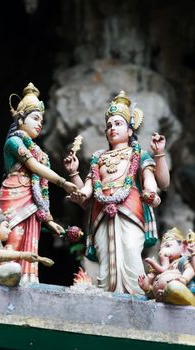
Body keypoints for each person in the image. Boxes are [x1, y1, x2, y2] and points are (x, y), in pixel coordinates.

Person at [63, 90, 165, 295]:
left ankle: (137, 293)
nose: (112, 128)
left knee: (130, 248)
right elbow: (89, 189)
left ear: (130, 130)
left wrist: (152, 185)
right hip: (101, 212)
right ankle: (108, 294)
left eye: (118, 124)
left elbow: (154, 179)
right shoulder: (99, 158)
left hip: (130, 208)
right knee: (106, 256)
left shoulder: (137, 152)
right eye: (109, 125)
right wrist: (75, 178)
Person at [0, 82, 78, 285]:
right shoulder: (14, 142)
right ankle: (2, 275)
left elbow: (42, 191)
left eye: (41, 119)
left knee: (29, 241)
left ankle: (24, 280)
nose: (39, 123)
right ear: (20, 118)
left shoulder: (40, 153)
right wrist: (62, 182)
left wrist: (49, 222)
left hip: (32, 202)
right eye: (34, 118)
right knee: (13, 237)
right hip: (14, 194)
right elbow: (32, 166)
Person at [0, 207, 54, 287]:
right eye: (6, 226)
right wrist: (22, 255)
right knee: (15, 268)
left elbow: (0, 262)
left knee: (15, 270)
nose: (9, 231)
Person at [138, 227, 195, 305]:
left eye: (168, 246)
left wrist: (184, 279)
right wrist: (147, 288)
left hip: (183, 290)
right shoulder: (163, 270)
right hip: (166, 298)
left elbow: (191, 270)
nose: (162, 251)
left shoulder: (182, 261)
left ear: (183, 248)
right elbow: (153, 294)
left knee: (173, 287)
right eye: (161, 249)